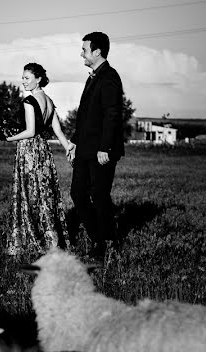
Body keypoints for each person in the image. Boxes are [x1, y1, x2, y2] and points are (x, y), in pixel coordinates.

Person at [3, 62, 75, 257]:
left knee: (29, 194)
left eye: (27, 78)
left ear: (38, 79)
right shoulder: (49, 101)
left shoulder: (29, 101)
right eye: (23, 77)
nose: (23, 81)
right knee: (44, 193)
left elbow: (30, 131)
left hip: (29, 150)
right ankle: (51, 239)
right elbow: (58, 130)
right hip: (43, 150)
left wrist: (9, 137)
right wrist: (68, 146)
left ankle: (30, 239)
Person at [68, 31, 125, 260]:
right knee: (78, 194)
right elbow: (86, 116)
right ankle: (97, 236)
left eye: (84, 49)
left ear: (97, 51)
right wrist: (74, 141)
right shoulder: (92, 76)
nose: (81, 53)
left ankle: (107, 242)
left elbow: (112, 115)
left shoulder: (110, 76)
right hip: (84, 148)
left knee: (99, 196)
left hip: (101, 150)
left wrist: (105, 148)